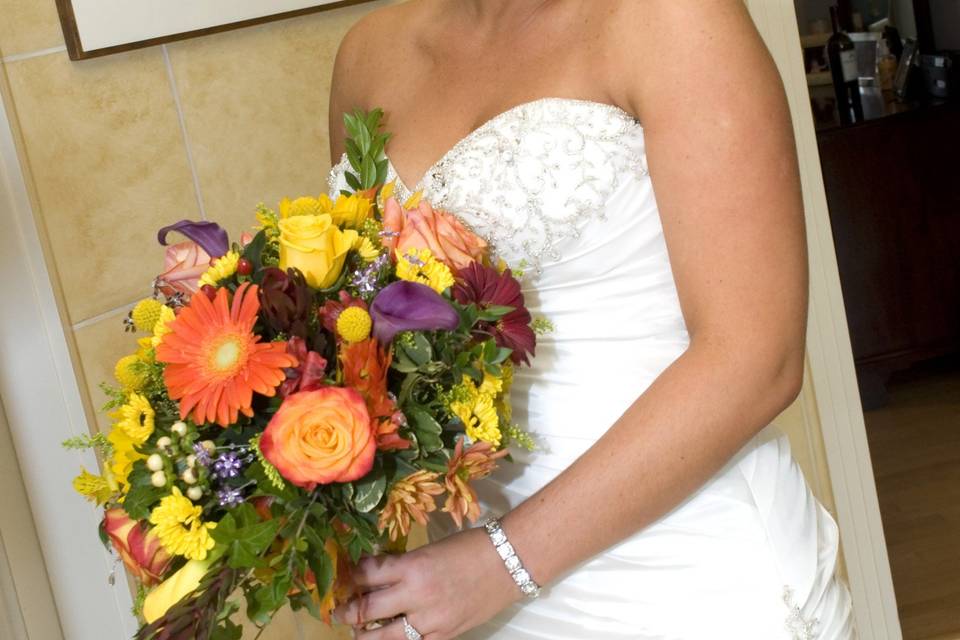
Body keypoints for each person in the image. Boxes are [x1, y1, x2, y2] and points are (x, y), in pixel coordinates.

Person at [326, 1, 856, 638]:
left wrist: (502, 562)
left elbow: (757, 360)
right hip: (466, 593)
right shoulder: (367, 55)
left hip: (686, 573)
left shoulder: (675, 17)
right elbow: (367, 338)